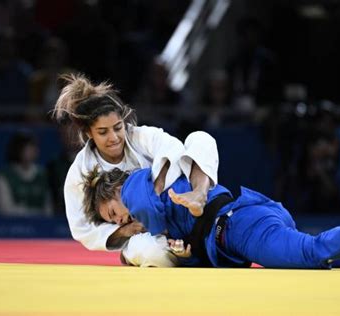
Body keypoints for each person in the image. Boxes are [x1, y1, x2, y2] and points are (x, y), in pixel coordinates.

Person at [81, 164, 340, 269]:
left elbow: (145, 209)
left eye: (113, 214)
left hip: (240, 225)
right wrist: (185, 252)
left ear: (116, 190)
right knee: (292, 261)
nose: (120, 222)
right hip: (243, 225)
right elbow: (202, 250)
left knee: (305, 251)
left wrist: (140, 227)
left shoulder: (137, 185)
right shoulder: (154, 207)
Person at [52, 73, 218, 251]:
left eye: (118, 128)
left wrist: (154, 191)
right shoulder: (80, 171)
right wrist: (125, 231)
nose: (114, 137)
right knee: (146, 251)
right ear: (88, 133)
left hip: (175, 206)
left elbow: (174, 149)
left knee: (201, 139)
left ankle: (199, 194)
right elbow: (82, 228)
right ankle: (177, 249)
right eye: (103, 132)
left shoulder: (139, 136)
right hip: (145, 233)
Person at [0, 131, 52, 217]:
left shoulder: (42, 175)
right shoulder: (4, 176)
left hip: (41, 226)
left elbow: (48, 208)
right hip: (13, 227)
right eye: (29, 147)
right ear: (18, 149)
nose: (34, 150)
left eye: (34, 146)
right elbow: (6, 209)